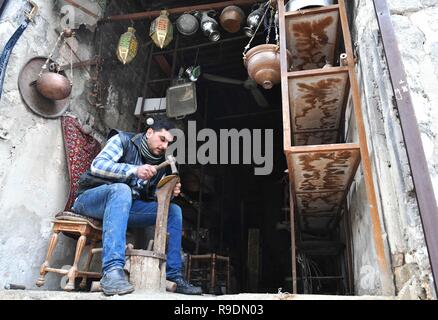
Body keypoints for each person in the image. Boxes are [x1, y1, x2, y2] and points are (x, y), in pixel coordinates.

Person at [71, 116, 202, 296]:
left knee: (173, 210)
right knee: (121, 190)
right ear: (149, 132)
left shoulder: (160, 164)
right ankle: (112, 271)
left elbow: (151, 195)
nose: (164, 146)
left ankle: (173, 275)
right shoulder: (123, 140)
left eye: (168, 143)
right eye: (162, 139)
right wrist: (133, 170)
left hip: (125, 205)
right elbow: (97, 166)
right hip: (90, 199)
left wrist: (167, 191)